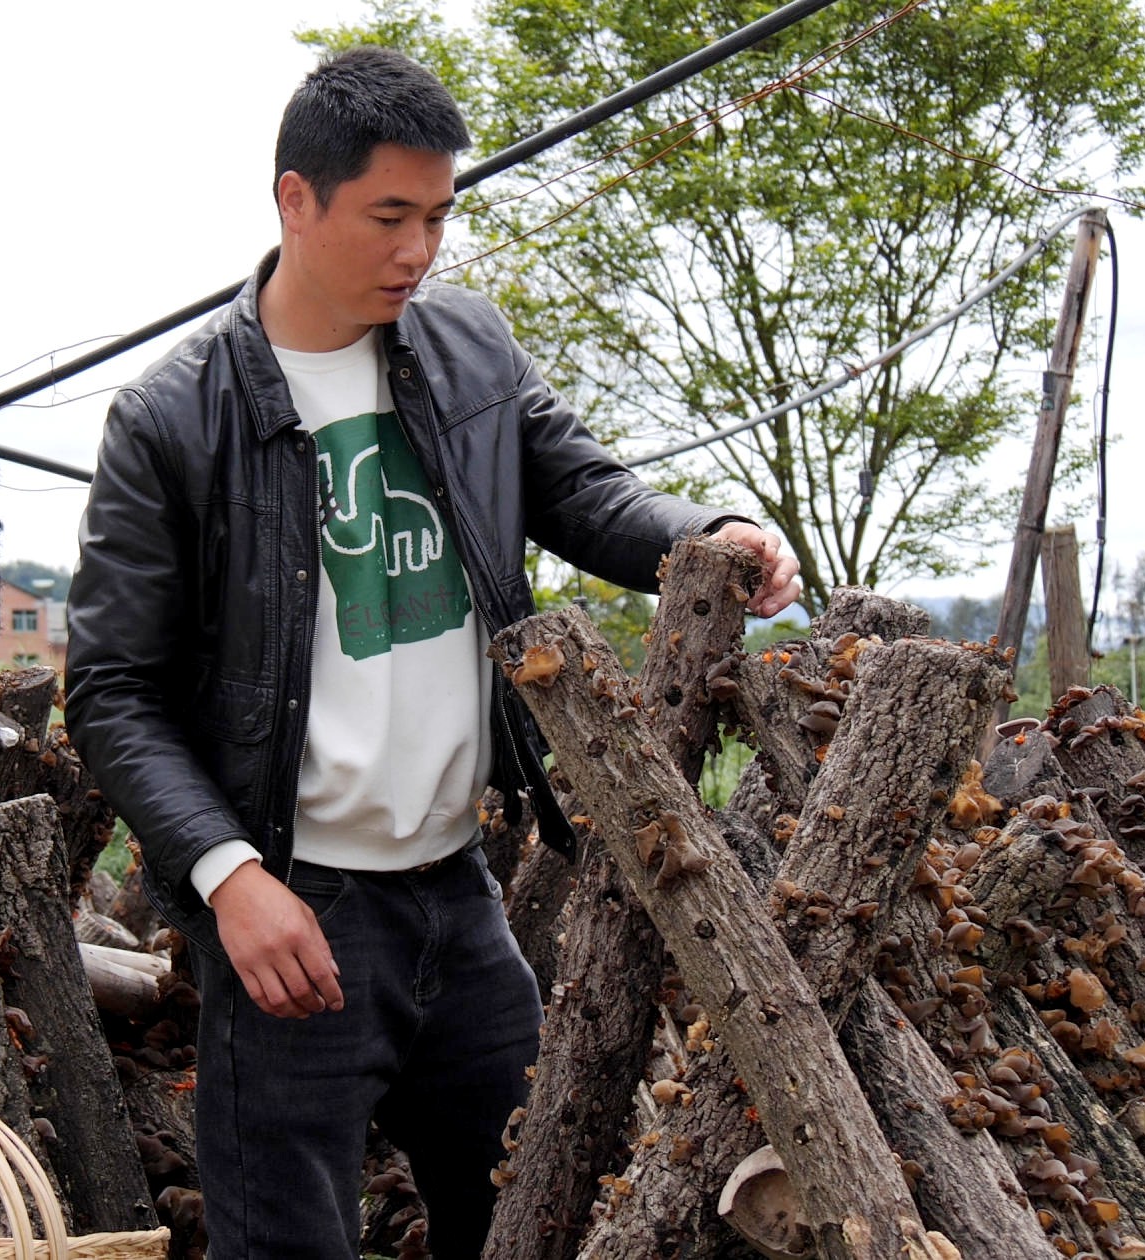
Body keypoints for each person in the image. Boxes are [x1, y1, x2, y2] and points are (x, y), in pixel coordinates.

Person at [63, 46, 802, 1260]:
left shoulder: (468, 348)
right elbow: (113, 691)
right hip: (293, 911)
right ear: (295, 200)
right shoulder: (173, 416)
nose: (420, 251)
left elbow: (585, 492)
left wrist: (704, 534)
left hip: (462, 897)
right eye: (389, 216)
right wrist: (226, 878)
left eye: (439, 216)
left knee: (528, 1219)